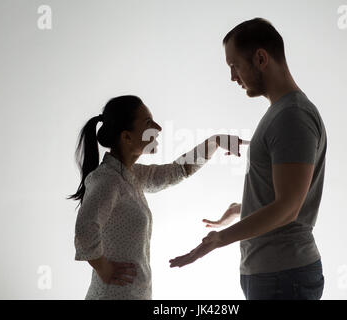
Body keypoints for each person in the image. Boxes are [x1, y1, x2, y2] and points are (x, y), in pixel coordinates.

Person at [169, 18, 328, 300]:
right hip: (275, 275)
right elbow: (282, 197)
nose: (233, 77)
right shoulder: (281, 113)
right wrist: (241, 208)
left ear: (261, 58)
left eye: (234, 65)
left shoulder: (292, 116)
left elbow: (289, 208)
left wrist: (221, 239)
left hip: (284, 278)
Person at [68, 95, 248, 299]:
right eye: (148, 123)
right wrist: (104, 269)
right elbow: (84, 229)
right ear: (127, 137)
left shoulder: (131, 175)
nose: (159, 128)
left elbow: (179, 170)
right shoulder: (107, 180)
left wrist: (216, 141)